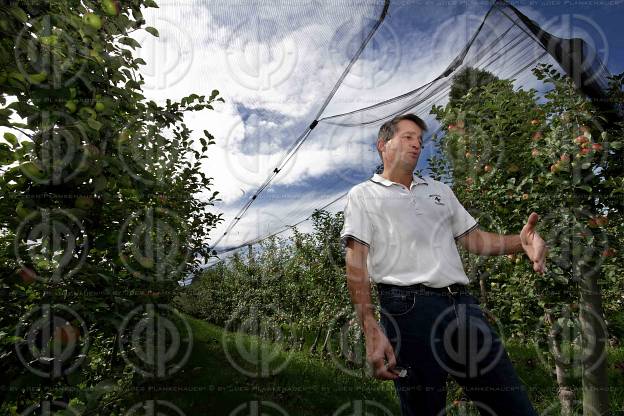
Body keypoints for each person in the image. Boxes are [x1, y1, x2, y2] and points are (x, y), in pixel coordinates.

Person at [340, 113, 548, 416]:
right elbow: (356, 263)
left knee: (512, 405)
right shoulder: (363, 195)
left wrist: (522, 242)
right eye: (408, 137)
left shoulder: (440, 190)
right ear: (382, 145)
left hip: (463, 306)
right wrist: (370, 328)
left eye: (420, 141)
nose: (416, 145)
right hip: (409, 311)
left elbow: (475, 240)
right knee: (424, 408)